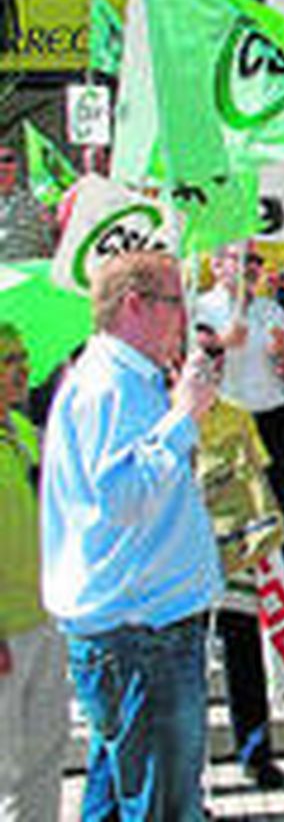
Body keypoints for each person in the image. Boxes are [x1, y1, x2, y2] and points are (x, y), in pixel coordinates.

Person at [40, 251, 222, 820]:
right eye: (175, 303)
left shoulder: (124, 380)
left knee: (122, 800)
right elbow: (120, 497)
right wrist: (183, 418)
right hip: (141, 630)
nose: (183, 319)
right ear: (134, 305)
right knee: (164, 804)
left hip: (143, 623)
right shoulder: (109, 386)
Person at [193, 323, 284, 790]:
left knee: (244, 657)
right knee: (186, 670)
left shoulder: (237, 416)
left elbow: (260, 480)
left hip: (234, 555)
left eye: (216, 360)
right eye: (201, 359)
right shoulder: (162, 414)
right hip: (182, 562)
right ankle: (191, 772)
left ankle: (255, 752)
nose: (210, 368)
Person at [196, 241, 284, 600]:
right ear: (217, 266)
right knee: (234, 521)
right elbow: (186, 363)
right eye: (241, 260)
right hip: (227, 426)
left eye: (256, 261)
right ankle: (236, 618)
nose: (250, 268)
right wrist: (219, 344)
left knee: (279, 515)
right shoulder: (201, 308)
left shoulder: (269, 310)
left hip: (273, 418)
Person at [0, 323, 69, 820]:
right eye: (7, 360)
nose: (21, 369)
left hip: (45, 616)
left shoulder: (23, 431)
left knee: (46, 756)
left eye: (22, 357)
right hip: (5, 631)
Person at [0, 143, 54, 261]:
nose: (2, 166)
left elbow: (49, 246)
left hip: (27, 274)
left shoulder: (36, 205)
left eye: (7, 160)